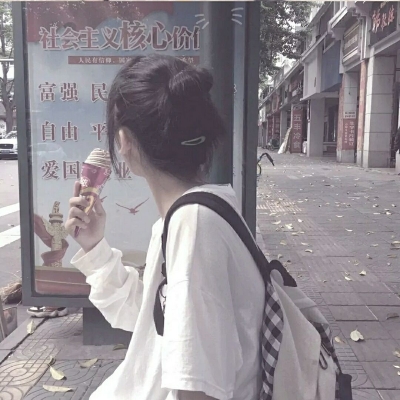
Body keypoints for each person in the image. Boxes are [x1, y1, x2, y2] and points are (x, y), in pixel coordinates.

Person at [65, 54, 265, 400]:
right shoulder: (197, 213)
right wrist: (95, 248)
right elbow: (152, 316)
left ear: (124, 141)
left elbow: (198, 391)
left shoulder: (194, 226)